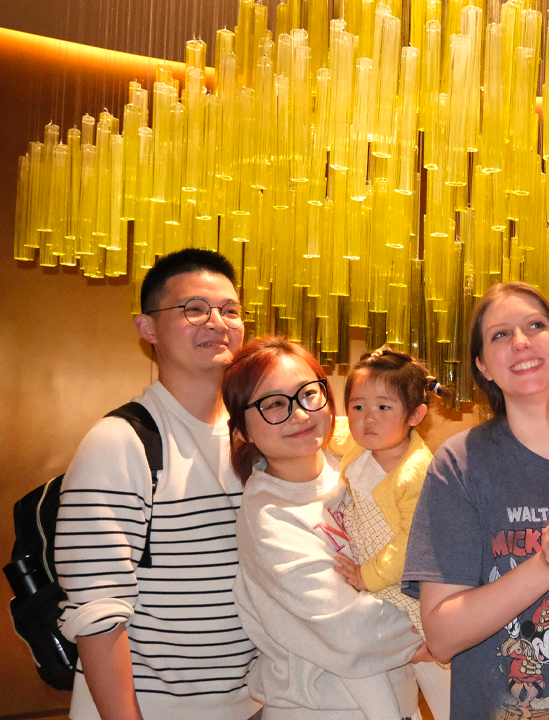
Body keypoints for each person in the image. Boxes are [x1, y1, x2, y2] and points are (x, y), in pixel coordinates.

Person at [54, 248, 260, 720]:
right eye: (194, 309)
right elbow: (96, 611)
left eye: (230, 310)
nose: (217, 323)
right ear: (147, 328)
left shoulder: (255, 437)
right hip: (151, 707)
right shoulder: (121, 442)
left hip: (249, 703)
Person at [401, 282, 549, 719]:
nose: (521, 342)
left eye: (536, 326)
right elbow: (441, 635)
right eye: (500, 334)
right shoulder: (460, 464)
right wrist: (547, 565)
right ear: (483, 366)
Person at [225, 337, 423, 720]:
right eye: (274, 404)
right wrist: (438, 626)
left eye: (308, 394)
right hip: (322, 709)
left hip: (403, 698)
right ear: (243, 430)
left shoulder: (355, 464)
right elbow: (352, 632)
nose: (300, 414)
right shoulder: (269, 515)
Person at [327, 346, 452, 720]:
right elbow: (329, 429)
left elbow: (412, 540)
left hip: (411, 593)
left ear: (415, 415)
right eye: (357, 406)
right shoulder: (359, 444)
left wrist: (367, 576)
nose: (367, 418)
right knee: (394, 694)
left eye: (383, 407)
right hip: (380, 598)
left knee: (445, 691)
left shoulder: (416, 471)